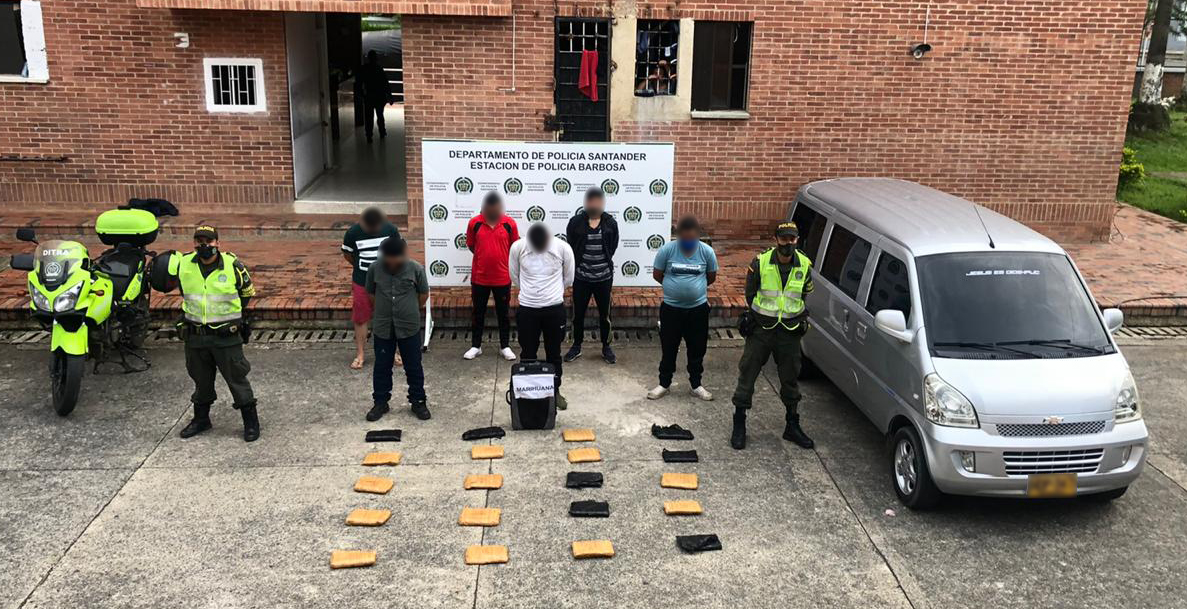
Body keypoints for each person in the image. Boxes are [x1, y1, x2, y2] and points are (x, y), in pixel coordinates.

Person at [170, 226, 260, 442]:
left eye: (208, 241)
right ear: (194, 243)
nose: (204, 245)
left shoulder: (232, 265)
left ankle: (251, 422)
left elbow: (247, 293)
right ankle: (201, 420)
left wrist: (232, 316)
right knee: (200, 380)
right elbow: (183, 291)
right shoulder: (184, 264)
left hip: (225, 336)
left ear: (217, 243)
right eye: (199, 241)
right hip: (195, 335)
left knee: (236, 379)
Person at [729, 222, 815, 450]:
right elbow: (750, 295)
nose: (788, 243)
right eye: (784, 239)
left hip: (789, 332)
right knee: (747, 373)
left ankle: (792, 425)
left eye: (792, 239)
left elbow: (804, 295)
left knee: (790, 378)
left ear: (797, 240)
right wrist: (761, 317)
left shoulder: (805, 264)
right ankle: (739, 423)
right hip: (762, 330)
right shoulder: (760, 262)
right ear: (776, 239)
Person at [648, 215, 717, 402]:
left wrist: (694, 290)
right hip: (671, 310)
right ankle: (664, 384)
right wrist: (675, 289)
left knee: (697, 349)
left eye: (691, 238)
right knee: (669, 348)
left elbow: (711, 276)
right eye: (684, 238)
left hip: (698, 310)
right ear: (678, 236)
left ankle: (696, 385)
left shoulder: (707, 252)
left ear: (697, 235)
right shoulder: (667, 250)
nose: (688, 242)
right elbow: (657, 274)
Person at [365, 236, 431, 422]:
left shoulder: (416, 269)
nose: (393, 263)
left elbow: (423, 294)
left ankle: (418, 401)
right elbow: (370, 293)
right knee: (382, 366)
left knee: (413, 365)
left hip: (408, 325)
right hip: (383, 325)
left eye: (397, 258)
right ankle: (380, 402)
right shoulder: (374, 269)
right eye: (390, 259)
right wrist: (383, 309)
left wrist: (409, 309)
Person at [509, 223, 575, 410]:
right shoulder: (518, 247)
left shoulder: (563, 248)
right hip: (527, 309)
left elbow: (568, 278)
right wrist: (531, 294)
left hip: (554, 309)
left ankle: (555, 391)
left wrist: (551, 294)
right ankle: (528, 396)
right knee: (527, 354)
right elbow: (515, 276)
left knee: (554, 353)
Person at [564, 187, 618, 364]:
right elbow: (571, 245)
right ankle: (576, 346)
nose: (594, 205)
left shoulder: (610, 223)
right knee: (578, 315)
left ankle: (606, 346)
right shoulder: (575, 222)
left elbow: (613, 246)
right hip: (582, 278)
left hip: (604, 278)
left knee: (605, 315)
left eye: (597, 201)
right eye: (591, 201)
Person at [342, 206, 401, 370]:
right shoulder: (353, 233)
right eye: (369, 228)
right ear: (362, 222)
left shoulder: (391, 230)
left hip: (387, 281)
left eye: (375, 228)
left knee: (390, 316)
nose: (372, 230)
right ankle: (360, 354)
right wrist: (361, 268)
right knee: (361, 317)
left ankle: (393, 351)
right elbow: (348, 255)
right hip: (362, 282)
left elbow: (398, 252)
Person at [464, 191, 519, 361]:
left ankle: (505, 346)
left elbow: (514, 247)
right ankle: (476, 346)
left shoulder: (509, 224)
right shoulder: (474, 223)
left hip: (502, 278)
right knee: (478, 313)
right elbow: (471, 246)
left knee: (503, 314)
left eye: (496, 208)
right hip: (479, 277)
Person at [359, 50, 392, 143]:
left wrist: (361, 94)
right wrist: (390, 96)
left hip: (369, 96)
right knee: (380, 115)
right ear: (376, 58)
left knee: (369, 117)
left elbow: (359, 83)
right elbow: (385, 83)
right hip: (380, 96)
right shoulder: (379, 68)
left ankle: (369, 135)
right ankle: (382, 132)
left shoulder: (364, 69)